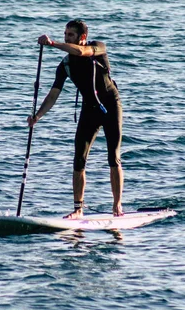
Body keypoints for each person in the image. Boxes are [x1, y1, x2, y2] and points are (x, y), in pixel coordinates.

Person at [27, 19, 124, 219]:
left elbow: (81, 52)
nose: (66, 38)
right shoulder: (65, 66)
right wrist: (37, 116)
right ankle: (78, 209)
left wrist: (52, 43)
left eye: (70, 35)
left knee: (113, 157)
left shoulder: (97, 48)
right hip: (89, 109)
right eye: (65, 34)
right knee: (79, 159)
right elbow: (53, 95)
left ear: (82, 38)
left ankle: (117, 205)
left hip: (111, 106)